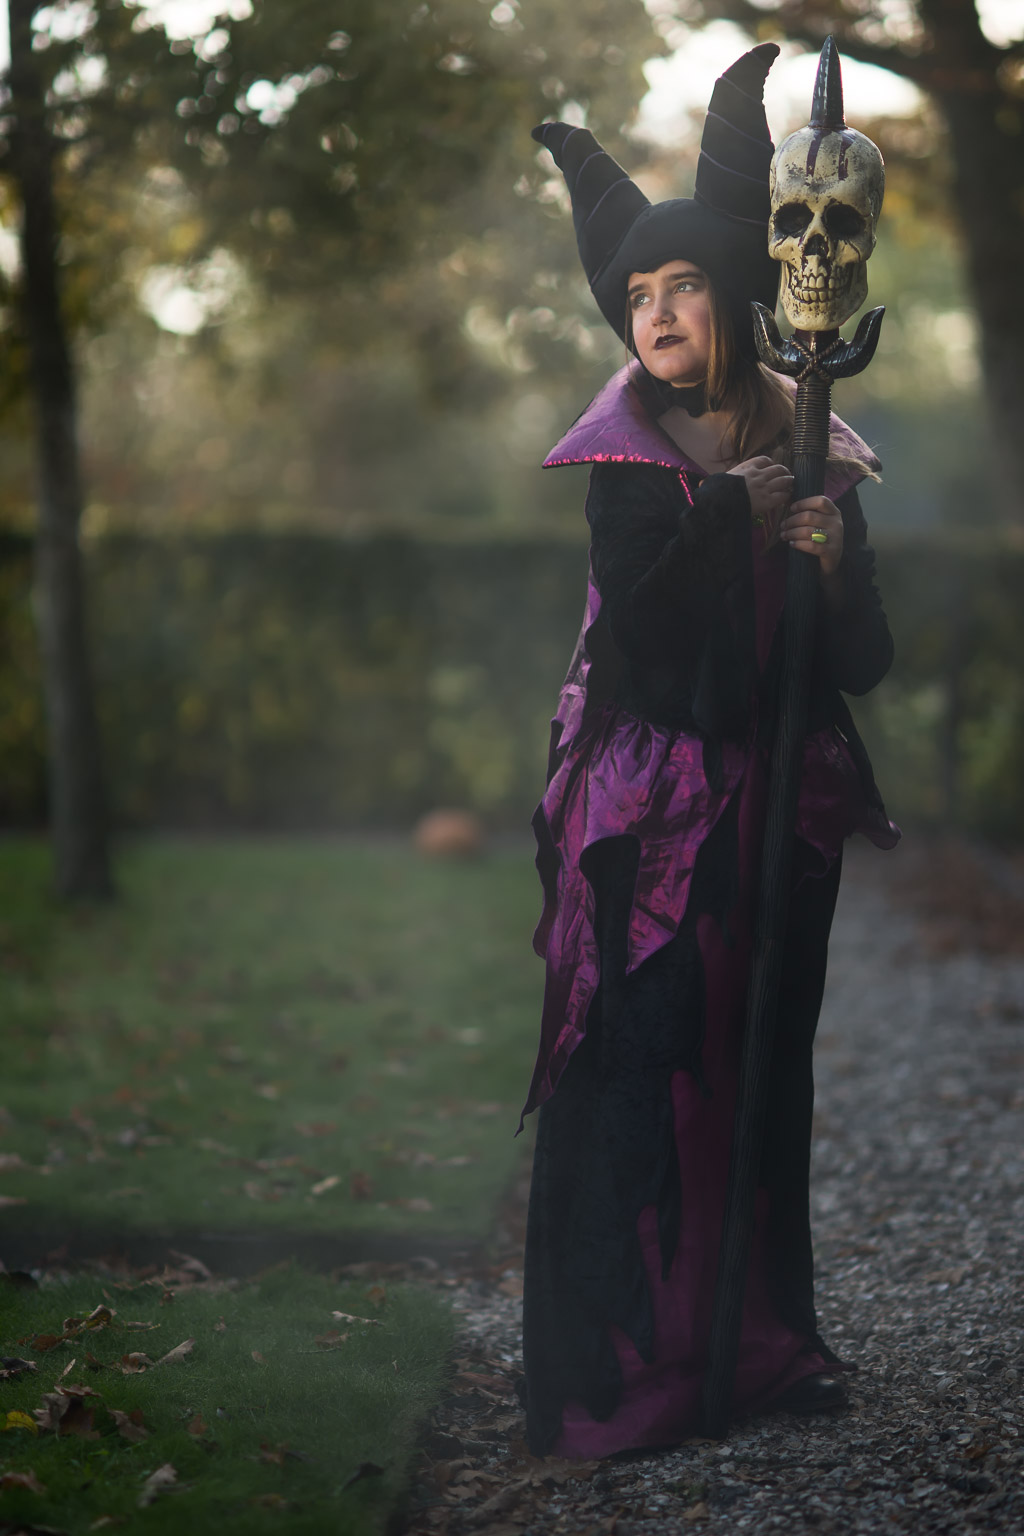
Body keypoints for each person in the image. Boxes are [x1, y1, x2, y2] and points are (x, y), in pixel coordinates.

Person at [519, 43, 900, 1460]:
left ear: (736, 296)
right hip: (653, 820)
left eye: (681, 285)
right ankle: (627, 1368)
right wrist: (727, 514)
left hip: (776, 816)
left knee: (760, 1069)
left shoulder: (817, 447)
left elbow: (860, 665)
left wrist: (835, 563)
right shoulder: (627, 462)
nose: (657, 312)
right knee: (644, 1070)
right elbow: (640, 642)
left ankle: (763, 1342)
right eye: (637, 294)